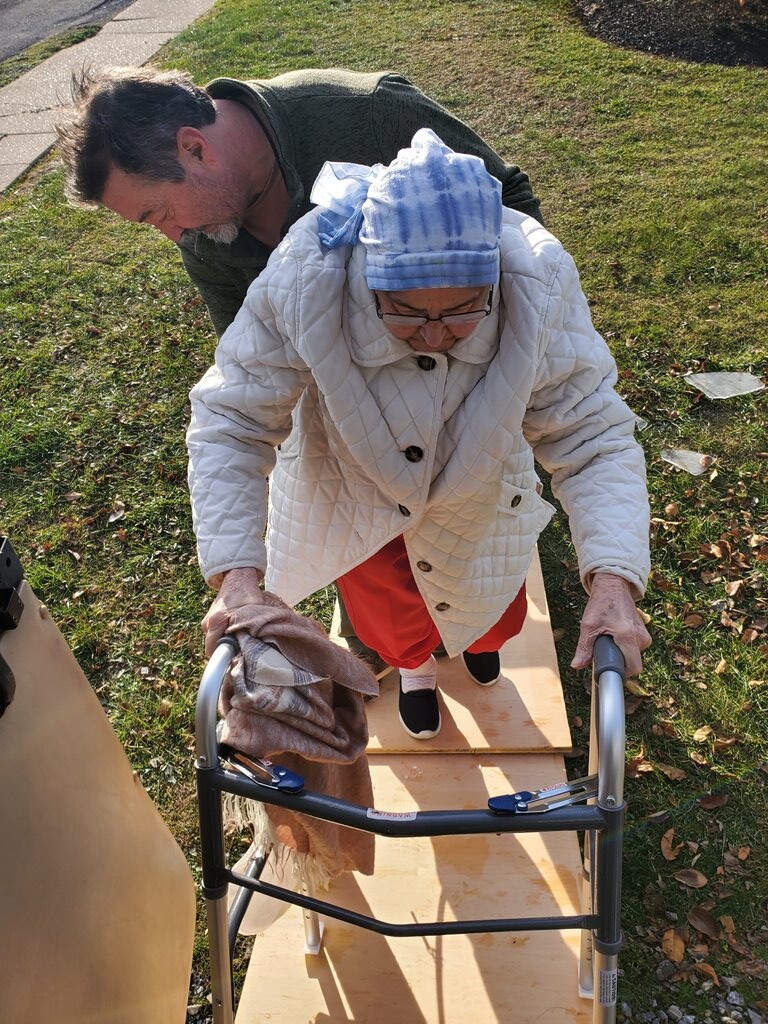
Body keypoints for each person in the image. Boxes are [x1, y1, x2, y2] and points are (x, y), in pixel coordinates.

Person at [55, 65, 544, 671]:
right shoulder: (205, 238)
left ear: (194, 146)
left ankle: (476, 632)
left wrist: (476, 332)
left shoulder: (369, 114)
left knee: (474, 541)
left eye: (158, 213)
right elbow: (245, 381)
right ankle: (404, 647)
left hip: (464, 393)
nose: (172, 233)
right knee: (378, 580)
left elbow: (513, 205)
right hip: (350, 432)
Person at [186, 128, 651, 740]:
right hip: (361, 505)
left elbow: (590, 431)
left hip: (478, 500)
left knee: (491, 608)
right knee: (393, 620)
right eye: (405, 311)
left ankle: (476, 646)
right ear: (369, 278)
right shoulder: (307, 274)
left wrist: (613, 576)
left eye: (461, 311)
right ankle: (415, 671)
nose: (434, 335)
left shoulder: (535, 279)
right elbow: (233, 418)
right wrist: (237, 576)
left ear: (493, 284)